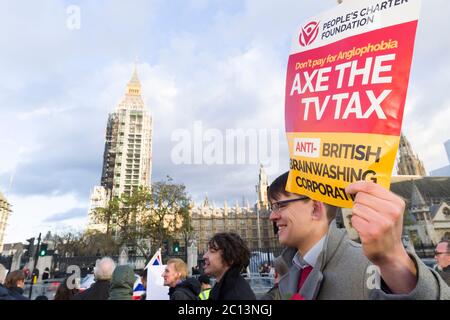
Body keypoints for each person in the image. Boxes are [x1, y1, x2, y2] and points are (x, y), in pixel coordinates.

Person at [267, 171, 450, 299]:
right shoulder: (288, 268)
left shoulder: (370, 266)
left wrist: (393, 261)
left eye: (280, 205)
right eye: (271, 207)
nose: (271, 216)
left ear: (315, 208)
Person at [203, 232, 256, 300]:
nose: (204, 256)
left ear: (230, 258)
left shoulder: (237, 296)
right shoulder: (223, 286)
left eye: (212, 251)